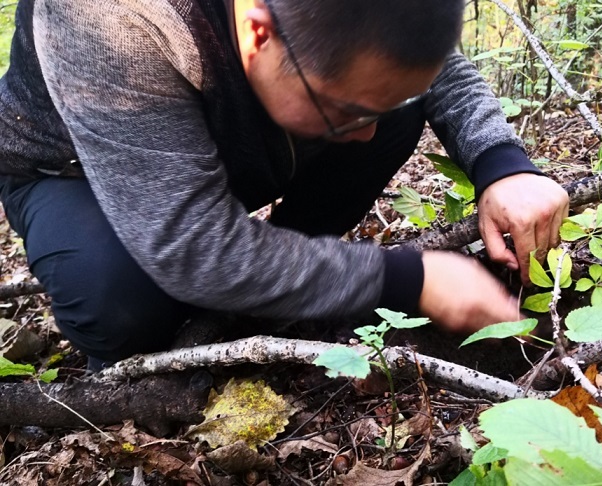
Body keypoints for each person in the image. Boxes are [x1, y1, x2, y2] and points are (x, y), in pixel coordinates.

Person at [0, 0, 569, 369]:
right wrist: (406, 278)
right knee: (121, 305)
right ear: (258, 31)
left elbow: (416, 50)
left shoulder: (314, 33)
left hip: (231, 130)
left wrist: (502, 163)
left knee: (390, 108)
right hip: (72, 171)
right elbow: (192, 247)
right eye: (349, 113)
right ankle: (226, 302)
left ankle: (281, 281)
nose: (366, 137)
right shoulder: (106, 17)